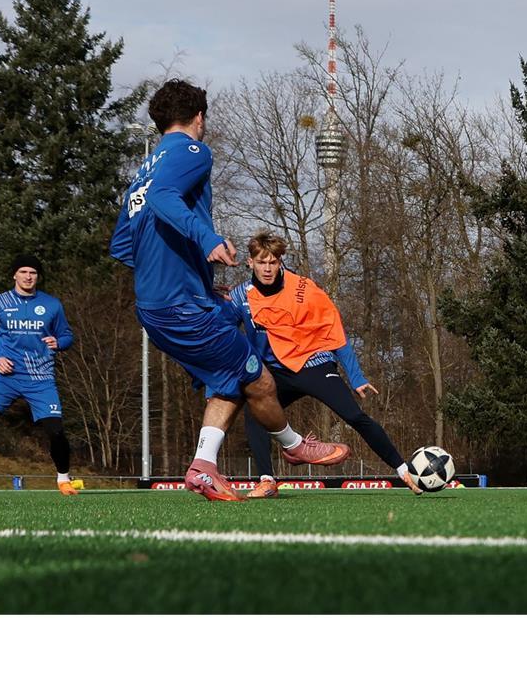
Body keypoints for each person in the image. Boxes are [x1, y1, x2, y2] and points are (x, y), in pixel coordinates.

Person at [109, 79, 347, 502]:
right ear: (199, 117)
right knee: (260, 380)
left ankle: (203, 466)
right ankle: (294, 447)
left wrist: (190, 284)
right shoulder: (190, 151)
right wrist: (207, 240)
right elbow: (166, 199)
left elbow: (123, 244)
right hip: (179, 306)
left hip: (161, 305)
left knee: (229, 375)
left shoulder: (142, 174)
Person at [225, 232, 422, 498]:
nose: (268, 268)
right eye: (262, 262)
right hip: (277, 372)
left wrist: (356, 376)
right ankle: (267, 481)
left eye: (273, 262)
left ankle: (403, 470)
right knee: (255, 412)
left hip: (313, 362)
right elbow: (223, 329)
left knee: (354, 416)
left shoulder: (304, 289)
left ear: (280, 262)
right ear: (250, 263)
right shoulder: (240, 296)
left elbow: (334, 331)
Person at [0, 256, 77, 496]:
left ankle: (64, 479)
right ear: (15, 275)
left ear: (38, 276)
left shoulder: (52, 304)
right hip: (5, 378)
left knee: (56, 431)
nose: (28, 276)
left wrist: (59, 342)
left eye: (32, 272)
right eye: (23, 271)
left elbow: (67, 335)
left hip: (40, 378)